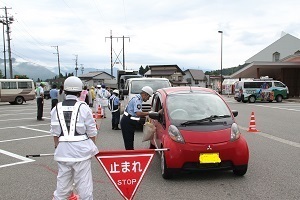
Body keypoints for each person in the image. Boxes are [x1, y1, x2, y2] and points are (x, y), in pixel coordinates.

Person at [50, 76, 98, 200]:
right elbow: (92, 132)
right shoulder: (84, 107)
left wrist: (58, 147)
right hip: (81, 152)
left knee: (62, 188)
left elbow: (55, 134)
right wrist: (91, 149)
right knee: (85, 188)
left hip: (63, 152)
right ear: (80, 91)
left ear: (64, 90)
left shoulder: (56, 108)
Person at [120, 86, 153, 150]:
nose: (148, 99)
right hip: (127, 122)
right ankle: (129, 157)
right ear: (145, 94)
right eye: (148, 97)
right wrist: (149, 113)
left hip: (129, 121)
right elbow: (138, 113)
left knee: (130, 141)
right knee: (129, 143)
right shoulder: (137, 100)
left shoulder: (137, 98)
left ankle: (130, 155)